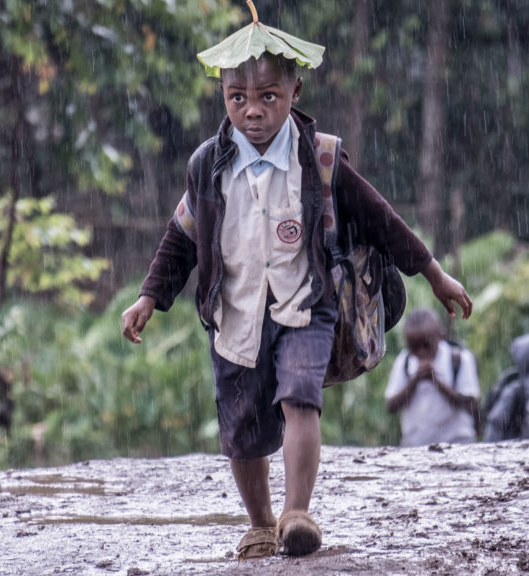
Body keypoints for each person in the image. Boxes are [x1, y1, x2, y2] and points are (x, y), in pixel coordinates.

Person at [119, 15, 472, 561]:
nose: (252, 110)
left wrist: (431, 271)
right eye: (237, 98)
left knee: (298, 399)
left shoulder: (322, 158)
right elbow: (180, 237)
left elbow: (381, 219)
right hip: (235, 316)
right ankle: (261, 524)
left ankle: (297, 513)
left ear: (294, 91)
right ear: (222, 93)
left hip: (308, 306)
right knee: (241, 426)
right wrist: (148, 297)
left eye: (267, 96)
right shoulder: (207, 166)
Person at [385, 308, 480, 446]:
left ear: (439, 336)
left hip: (457, 444)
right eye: (414, 347)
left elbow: (469, 403)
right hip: (415, 447)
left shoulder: (459, 359)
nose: (421, 352)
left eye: (426, 345)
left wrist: (437, 382)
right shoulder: (404, 362)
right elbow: (391, 407)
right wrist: (415, 381)